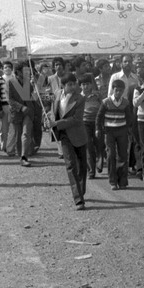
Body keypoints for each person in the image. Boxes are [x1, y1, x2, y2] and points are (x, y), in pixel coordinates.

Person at [51, 74, 89, 209]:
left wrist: (56, 123)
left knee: (82, 167)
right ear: (63, 86)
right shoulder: (56, 94)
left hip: (78, 135)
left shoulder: (80, 98)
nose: (73, 87)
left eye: (74, 84)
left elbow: (77, 119)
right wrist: (48, 121)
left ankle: (80, 189)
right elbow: (53, 111)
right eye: (70, 84)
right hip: (64, 136)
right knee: (71, 165)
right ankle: (79, 199)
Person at [96, 78, 134, 190]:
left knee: (123, 155)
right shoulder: (106, 102)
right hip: (109, 132)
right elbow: (99, 117)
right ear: (112, 89)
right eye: (116, 90)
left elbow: (129, 117)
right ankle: (113, 181)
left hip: (122, 131)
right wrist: (98, 129)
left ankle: (122, 181)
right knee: (110, 155)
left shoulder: (126, 103)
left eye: (121, 90)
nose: (118, 92)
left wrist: (129, 130)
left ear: (123, 91)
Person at [7, 63, 39, 166]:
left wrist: (35, 86)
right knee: (18, 136)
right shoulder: (10, 82)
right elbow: (9, 100)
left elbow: (33, 97)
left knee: (26, 133)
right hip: (16, 113)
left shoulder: (28, 83)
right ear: (18, 72)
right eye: (25, 71)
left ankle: (24, 157)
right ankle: (20, 154)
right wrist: (21, 107)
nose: (27, 73)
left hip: (29, 112)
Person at [79, 74, 104, 178]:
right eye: (83, 84)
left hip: (97, 122)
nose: (85, 87)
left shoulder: (97, 95)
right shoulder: (79, 97)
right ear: (80, 86)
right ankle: (91, 170)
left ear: (91, 85)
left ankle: (100, 162)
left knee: (99, 144)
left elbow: (103, 106)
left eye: (88, 84)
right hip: (85, 123)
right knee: (89, 146)